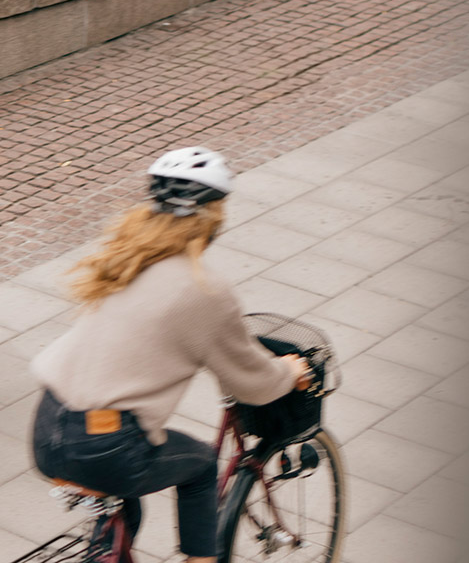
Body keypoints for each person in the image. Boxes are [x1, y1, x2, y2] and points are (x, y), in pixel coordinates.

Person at [29, 147, 312, 563]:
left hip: (47, 426)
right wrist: (289, 372)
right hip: (105, 446)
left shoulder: (127, 260)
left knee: (126, 506)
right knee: (199, 467)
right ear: (214, 216)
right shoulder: (204, 291)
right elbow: (253, 382)